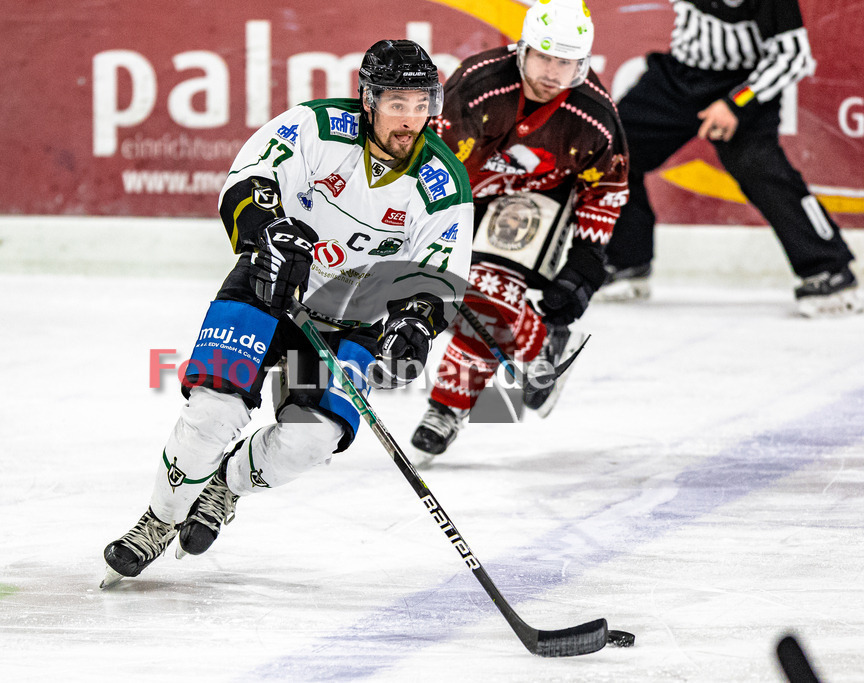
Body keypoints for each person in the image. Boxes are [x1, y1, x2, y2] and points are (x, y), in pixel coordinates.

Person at [101, 40, 473, 585]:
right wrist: (268, 232)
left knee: (308, 441)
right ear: (368, 99)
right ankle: (158, 520)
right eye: (397, 104)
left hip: (353, 319)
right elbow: (247, 181)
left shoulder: (443, 184)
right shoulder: (314, 128)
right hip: (270, 286)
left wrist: (416, 322)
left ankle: (223, 487)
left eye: (422, 105)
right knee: (213, 412)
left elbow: (435, 278)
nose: (411, 119)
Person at [410, 0, 629, 459]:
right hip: (464, 192)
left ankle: (447, 406)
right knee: (450, 290)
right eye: (545, 57)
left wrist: (588, 258)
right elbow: (433, 164)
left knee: (492, 290)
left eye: (566, 63)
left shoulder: (594, 116)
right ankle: (540, 347)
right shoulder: (477, 87)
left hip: (537, 197)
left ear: (583, 64)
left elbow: (606, 189)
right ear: (522, 49)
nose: (553, 73)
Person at [600, 0, 862, 317]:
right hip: (680, 76)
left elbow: (794, 56)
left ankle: (831, 269)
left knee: (760, 167)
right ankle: (628, 259)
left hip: (743, 84)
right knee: (614, 149)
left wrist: (737, 104)